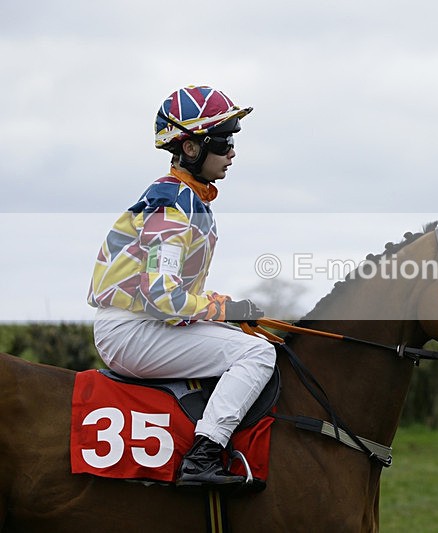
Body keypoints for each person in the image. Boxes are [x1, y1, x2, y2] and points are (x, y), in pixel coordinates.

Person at [87, 85, 276, 488]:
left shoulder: (188, 199)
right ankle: (203, 455)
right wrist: (225, 310)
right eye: (224, 142)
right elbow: (163, 298)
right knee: (257, 354)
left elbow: (169, 294)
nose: (232, 152)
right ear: (191, 149)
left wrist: (224, 307)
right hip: (130, 332)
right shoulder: (172, 205)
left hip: (141, 325)